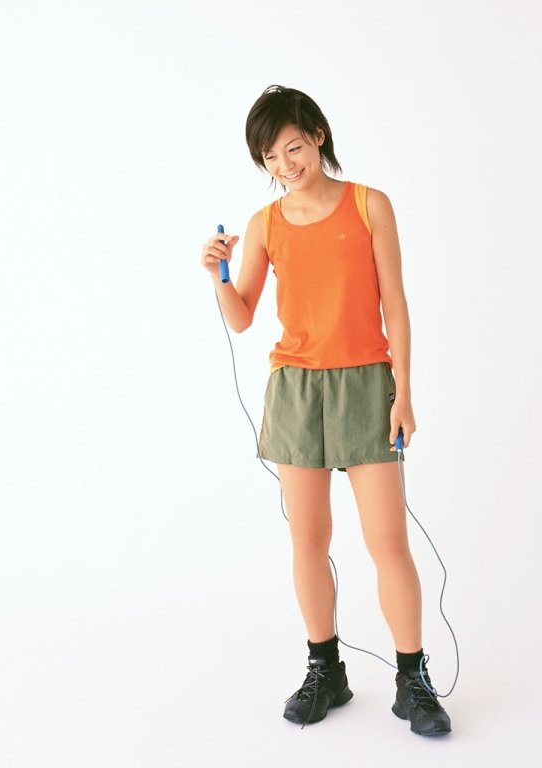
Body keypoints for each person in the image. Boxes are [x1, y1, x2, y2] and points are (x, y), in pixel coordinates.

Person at [200, 84, 451, 737]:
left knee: (388, 542)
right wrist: (219, 275)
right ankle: (325, 671)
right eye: (270, 156)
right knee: (308, 540)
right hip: (295, 389)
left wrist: (404, 392)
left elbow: (396, 303)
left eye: (292, 147)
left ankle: (413, 680)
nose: (284, 164)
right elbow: (242, 317)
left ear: (316, 136)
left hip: (366, 383)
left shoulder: (370, 205)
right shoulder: (265, 223)